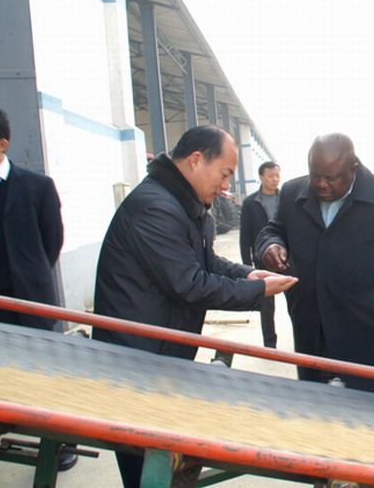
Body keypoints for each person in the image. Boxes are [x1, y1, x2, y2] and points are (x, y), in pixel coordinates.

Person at [93, 125, 297, 487]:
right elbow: (189, 283)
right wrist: (258, 292)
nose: (226, 186)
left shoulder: (185, 204)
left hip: (162, 352)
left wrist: (249, 274)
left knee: (163, 457)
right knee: (144, 465)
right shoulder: (155, 207)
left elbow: (206, 262)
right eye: (224, 174)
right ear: (196, 160)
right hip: (136, 360)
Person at [256, 133, 374, 398]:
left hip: (370, 336)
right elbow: (273, 230)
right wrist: (271, 245)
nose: (321, 184)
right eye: (315, 176)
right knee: (320, 411)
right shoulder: (292, 193)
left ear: (353, 169)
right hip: (313, 332)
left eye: (331, 177)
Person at [0, 106, 77, 472]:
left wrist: (30, 275)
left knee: (45, 375)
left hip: (29, 302)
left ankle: (60, 442)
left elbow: (52, 241)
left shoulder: (36, 186)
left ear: (2, 144)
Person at [238, 161, 281, 348]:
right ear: (261, 177)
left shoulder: (285, 199)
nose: (275, 179)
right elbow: (245, 236)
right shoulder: (251, 203)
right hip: (262, 260)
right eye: (271, 176)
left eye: (277, 175)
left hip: (286, 259)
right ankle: (270, 345)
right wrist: (247, 267)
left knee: (296, 303)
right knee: (266, 306)